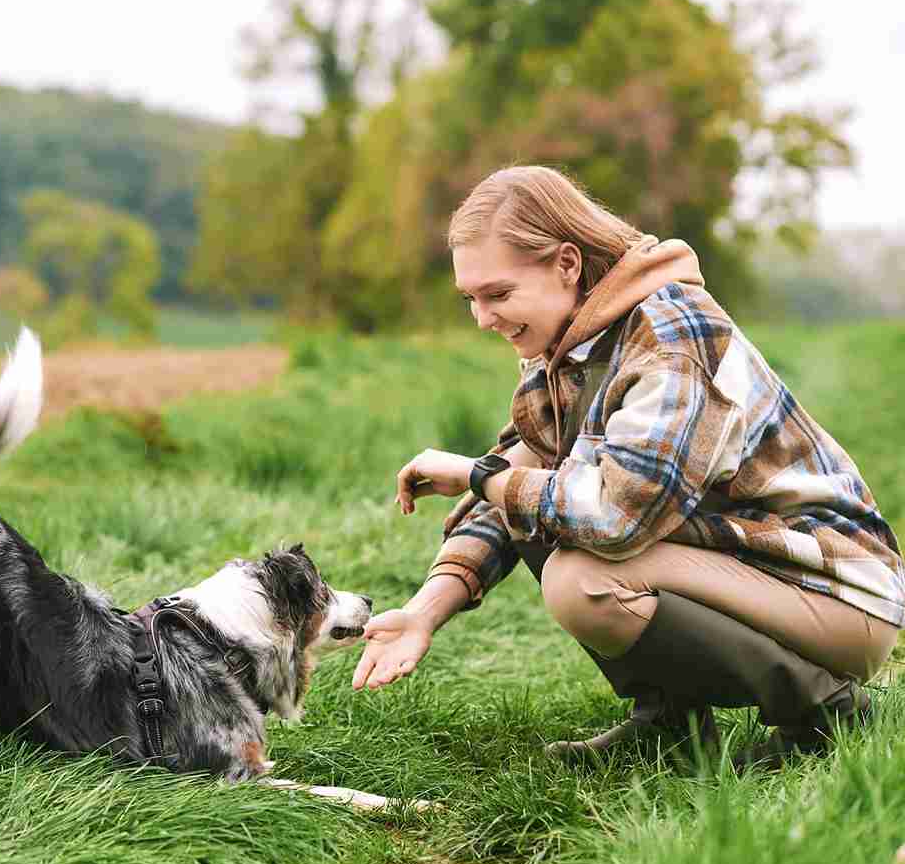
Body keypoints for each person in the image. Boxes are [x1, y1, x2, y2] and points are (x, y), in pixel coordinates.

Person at [350, 165, 903, 767]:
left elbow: (616, 519)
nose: (483, 318)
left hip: (834, 594)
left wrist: (480, 476)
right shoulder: (567, 346)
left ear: (567, 263)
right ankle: (672, 726)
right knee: (538, 503)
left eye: (498, 295)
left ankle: (826, 713)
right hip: (748, 568)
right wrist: (424, 613)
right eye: (471, 299)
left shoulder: (671, 334)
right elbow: (511, 486)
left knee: (582, 579)